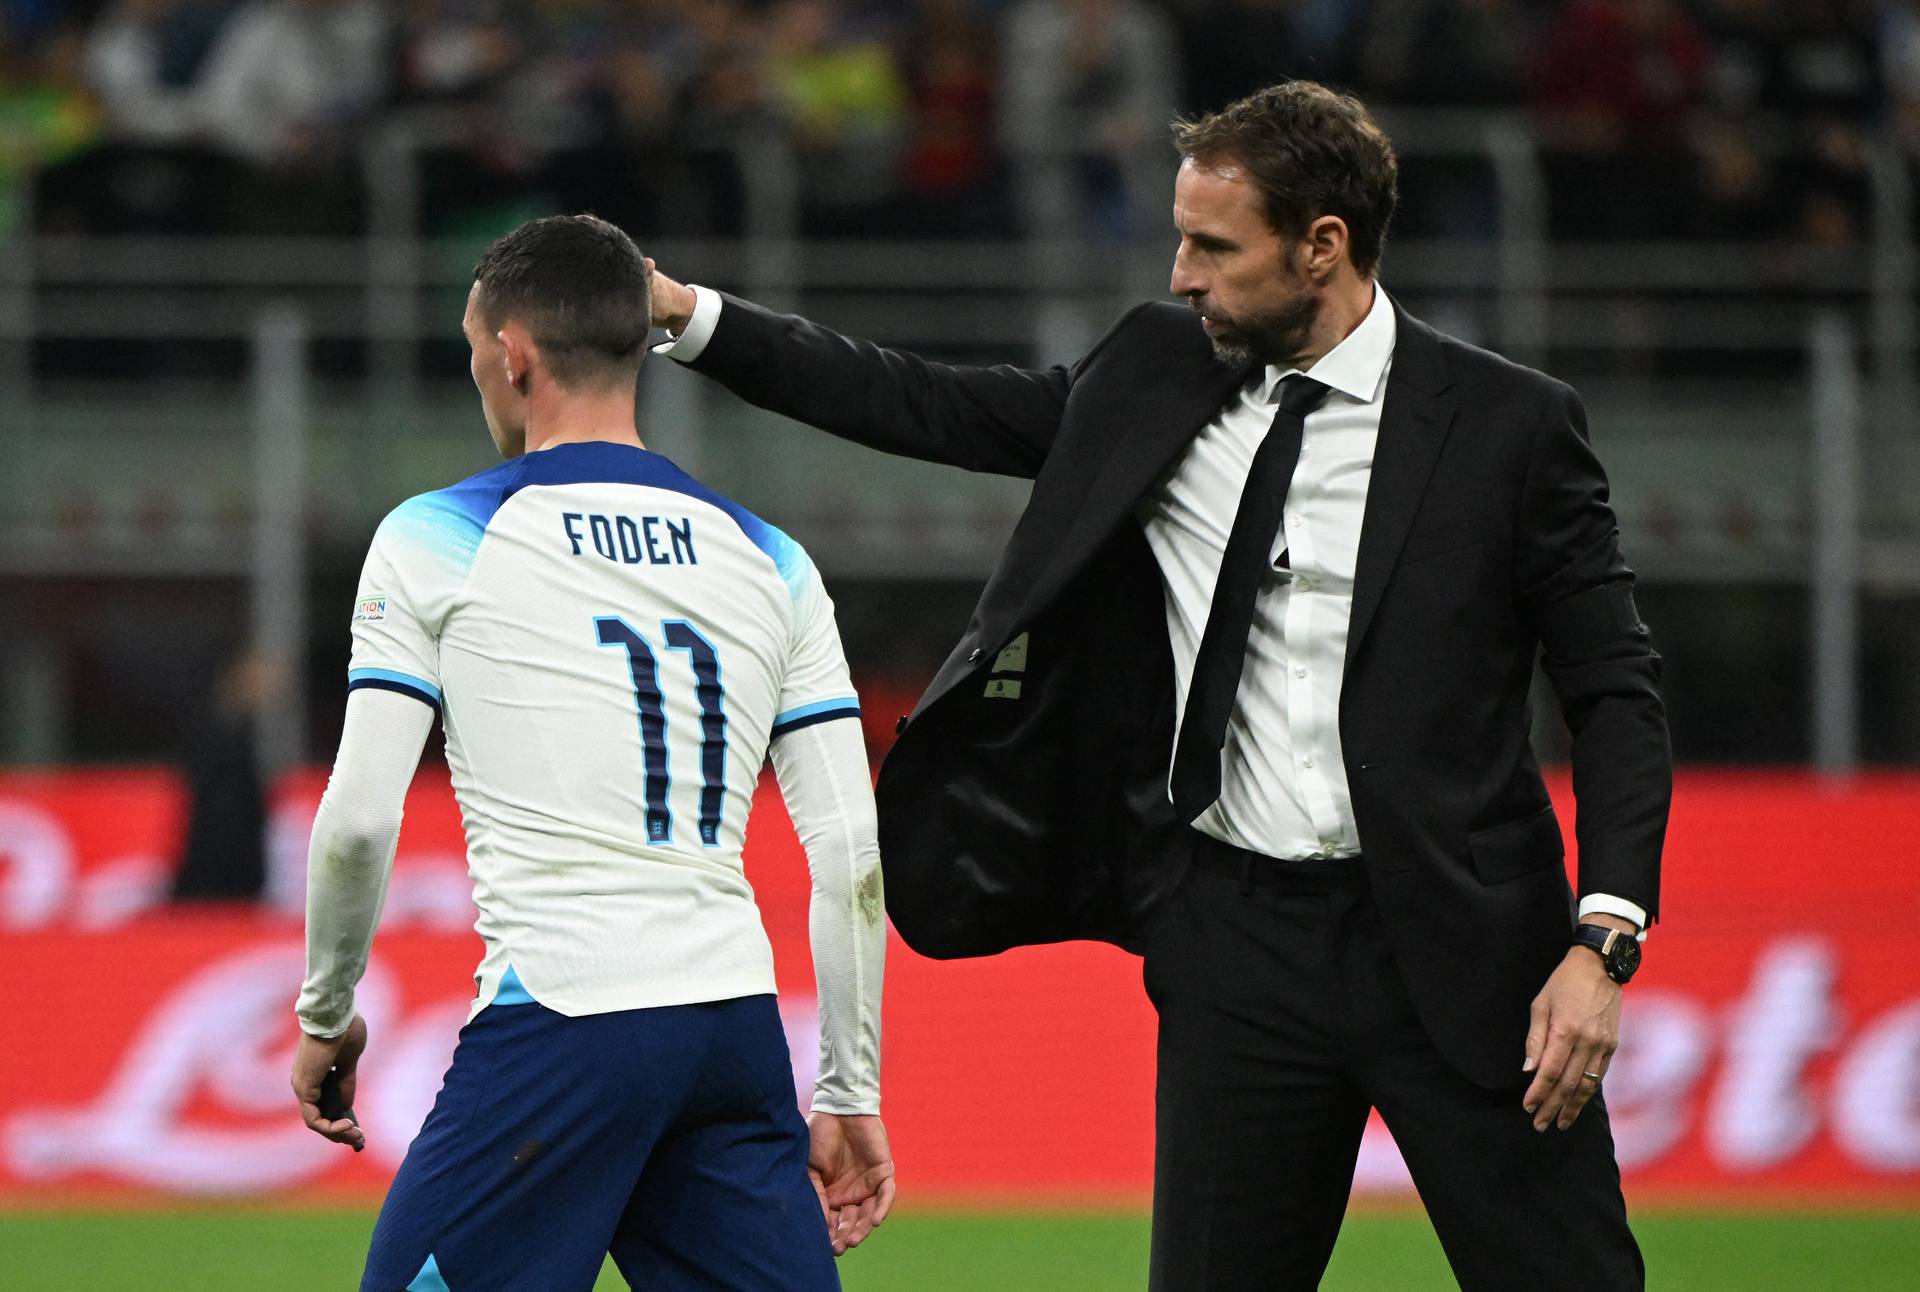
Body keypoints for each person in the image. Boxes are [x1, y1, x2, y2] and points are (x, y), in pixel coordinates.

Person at [647, 82, 1669, 1290]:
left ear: (1321, 245)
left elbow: (1615, 690)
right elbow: (924, 399)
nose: (1183, 274)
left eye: (1215, 247)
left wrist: (1602, 941)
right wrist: (687, 316)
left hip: (1463, 950)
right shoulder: (1154, 373)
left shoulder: (1510, 426)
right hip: (1235, 941)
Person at [290, 214, 894, 1292]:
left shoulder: (438, 534)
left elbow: (358, 822)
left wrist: (325, 1012)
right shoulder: (774, 557)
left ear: (513, 353)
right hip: (732, 1034)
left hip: (566, 1016)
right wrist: (850, 1086)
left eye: (476, 348)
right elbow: (849, 849)